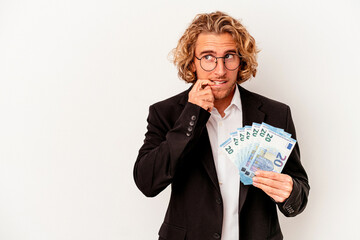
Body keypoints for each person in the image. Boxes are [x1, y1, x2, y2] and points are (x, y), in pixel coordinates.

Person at [133, 11, 309, 240]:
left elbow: (300, 190)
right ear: (192, 62)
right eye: (208, 57)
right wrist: (190, 116)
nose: (220, 70)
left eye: (229, 56)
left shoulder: (276, 114)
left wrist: (290, 192)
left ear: (241, 60)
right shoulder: (166, 113)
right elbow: (147, 182)